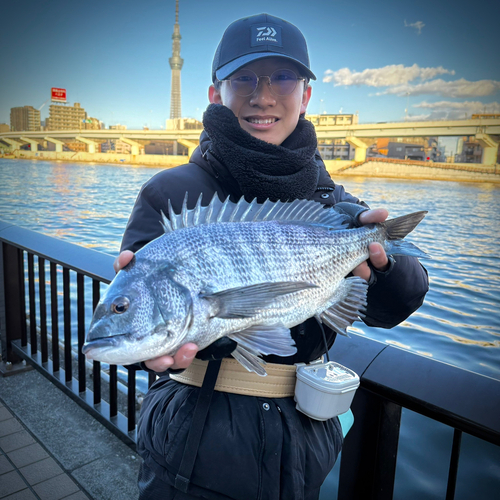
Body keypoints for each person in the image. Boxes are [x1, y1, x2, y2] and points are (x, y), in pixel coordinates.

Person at [114, 13, 429, 500]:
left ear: (305, 95)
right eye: (244, 78)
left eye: (283, 77)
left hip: (305, 440)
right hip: (193, 441)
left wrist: (385, 267)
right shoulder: (169, 193)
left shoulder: (334, 203)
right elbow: (138, 324)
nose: (263, 95)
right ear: (216, 92)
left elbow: (395, 306)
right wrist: (148, 348)